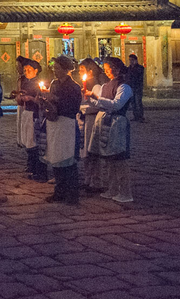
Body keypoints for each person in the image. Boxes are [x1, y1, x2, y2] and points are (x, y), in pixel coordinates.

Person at [85, 57, 134, 203]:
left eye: (109, 68)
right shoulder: (105, 85)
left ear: (117, 69)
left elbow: (117, 104)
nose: (107, 71)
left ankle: (125, 192)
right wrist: (89, 98)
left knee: (119, 158)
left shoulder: (124, 87)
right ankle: (112, 188)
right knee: (108, 159)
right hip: (105, 122)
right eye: (105, 68)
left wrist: (97, 98)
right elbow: (99, 103)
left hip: (117, 123)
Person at [39, 56, 83, 204]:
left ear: (66, 69)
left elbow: (73, 107)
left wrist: (56, 101)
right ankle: (59, 191)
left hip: (66, 123)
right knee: (56, 156)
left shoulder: (74, 87)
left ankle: (71, 193)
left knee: (67, 158)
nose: (55, 71)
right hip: (54, 124)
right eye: (54, 69)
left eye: (58, 68)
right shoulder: (54, 84)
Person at [15, 58, 46, 181]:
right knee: (27, 140)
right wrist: (20, 97)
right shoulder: (24, 82)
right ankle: (31, 165)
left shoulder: (39, 83)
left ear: (36, 71)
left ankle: (38, 169)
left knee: (34, 141)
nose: (26, 71)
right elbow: (19, 98)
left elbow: (41, 100)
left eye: (29, 69)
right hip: (26, 112)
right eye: (25, 69)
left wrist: (31, 98)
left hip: (35, 114)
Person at [78, 58, 105, 193]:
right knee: (85, 151)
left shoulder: (96, 86)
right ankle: (87, 179)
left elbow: (98, 105)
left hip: (92, 120)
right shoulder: (84, 86)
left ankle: (96, 181)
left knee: (92, 150)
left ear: (90, 71)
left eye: (82, 70)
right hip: (84, 120)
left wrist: (85, 108)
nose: (79, 73)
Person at [126, 54, 145, 123]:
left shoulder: (140, 68)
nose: (131, 61)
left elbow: (138, 77)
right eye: (130, 60)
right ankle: (135, 116)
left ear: (136, 60)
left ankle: (141, 116)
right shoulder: (129, 68)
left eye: (132, 60)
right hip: (131, 87)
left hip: (137, 87)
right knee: (133, 102)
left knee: (138, 102)